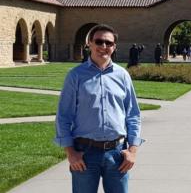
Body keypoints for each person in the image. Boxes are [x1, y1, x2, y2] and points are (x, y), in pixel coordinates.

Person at [54, 24, 143, 193]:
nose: (104, 46)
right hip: (84, 154)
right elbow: (64, 116)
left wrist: (132, 151)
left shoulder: (122, 75)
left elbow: (133, 115)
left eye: (108, 43)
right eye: (99, 41)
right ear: (90, 44)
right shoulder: (75, 76)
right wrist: (70, 153)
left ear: (114, 47)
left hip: (117, 154)